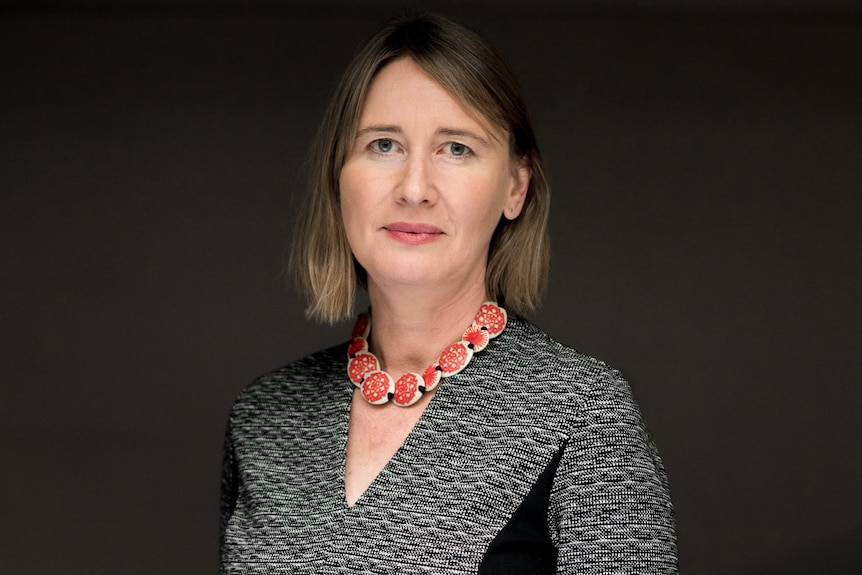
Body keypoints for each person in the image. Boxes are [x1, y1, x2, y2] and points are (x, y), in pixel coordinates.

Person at [220, 13, 678, 574]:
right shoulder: (264, 416)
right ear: (338, 175)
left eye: (456, 149)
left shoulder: (580, 413)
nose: (414, 188)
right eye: (383, 144)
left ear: (515, 185)